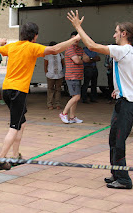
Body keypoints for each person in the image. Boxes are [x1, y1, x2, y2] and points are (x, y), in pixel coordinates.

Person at [0, 22, 81, 170]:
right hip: (18, 91)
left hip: (7, 90)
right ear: (35, 36)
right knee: (14, 126)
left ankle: (15, 156)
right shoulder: (32, 47)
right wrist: (74, 39)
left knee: (22, 122)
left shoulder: (13, 46)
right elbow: (54, 49)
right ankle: (1, 159)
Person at [68, 10, 133, 189]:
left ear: (124, 34)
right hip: (123, 101)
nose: (114, 34)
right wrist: (119, 90)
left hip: (127, 105)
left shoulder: (123, 50)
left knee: (118, 142)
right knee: (113, 139)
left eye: (116, 31)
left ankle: (124, 180)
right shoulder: (128, 52)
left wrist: (77, 27)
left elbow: (92, 45)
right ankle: (116, 174)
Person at [59, 31, 90, 124]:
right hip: (72, 76)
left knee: (74, 97)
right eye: (74, 38)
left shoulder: (79, 49)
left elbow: (87, 59)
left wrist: (81, 58)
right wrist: (81, 59)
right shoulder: (69, 48)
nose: (76, 41)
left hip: (78, 76)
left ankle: (72, 117)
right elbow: (77, 61)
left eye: (77, 39)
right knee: (77, 97)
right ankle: (64, 113)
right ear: (70, 39)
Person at [44, 41, 65, 110]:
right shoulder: (47, 55)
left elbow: (63, 64)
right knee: (50, 90)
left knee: (58, 89)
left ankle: (57, 104)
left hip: (59, 75)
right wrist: (46, 73)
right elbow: (45, 65)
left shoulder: (60, 54)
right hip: (50, 75)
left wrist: (63, 71)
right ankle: (49, 104)